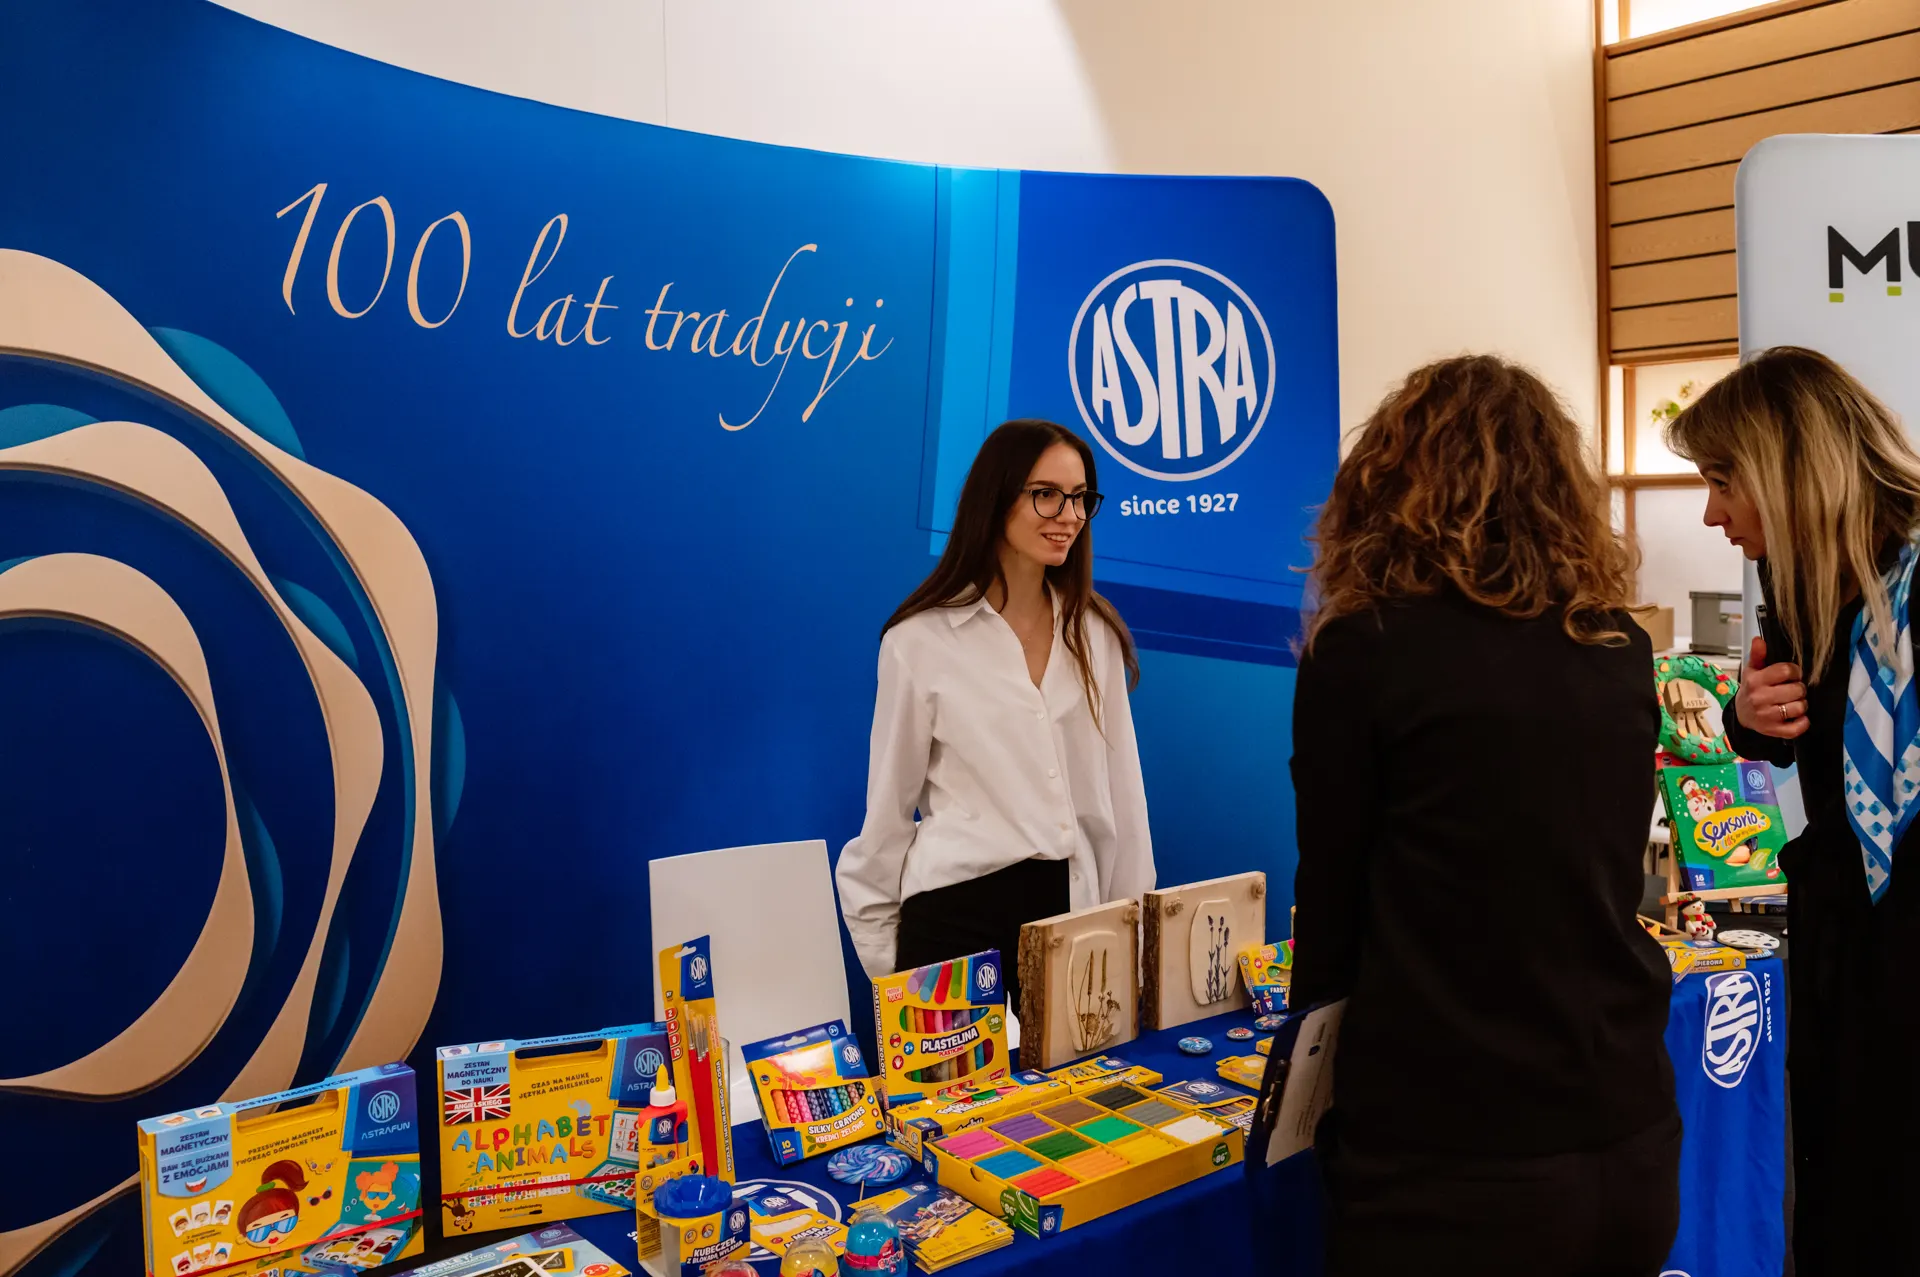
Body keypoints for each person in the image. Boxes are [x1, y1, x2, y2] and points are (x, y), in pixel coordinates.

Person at [1291, 355, 1679, 1276]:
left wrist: (1309, 1096)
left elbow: (1333, 901)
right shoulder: (1616, 642)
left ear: (1389, 484)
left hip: (1451, 1145)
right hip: (1623, 1121)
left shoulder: (1366, 647)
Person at [1667, 345, 1920, 1276]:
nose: (1712, 513)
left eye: (1722, 480)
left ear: (1785, 466)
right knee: (1843, 1196)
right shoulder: (1797, 579)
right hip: (1842, 946)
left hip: (1901, 951)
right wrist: (1746, 718)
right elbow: (1791, 734)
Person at [835, 419, 1152, 1010]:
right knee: (951, 1080)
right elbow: (886, 815)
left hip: (1069, 921)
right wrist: (895, 973)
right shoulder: (919, 640)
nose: (1069, 515)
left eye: (1080, 498)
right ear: (996, 497)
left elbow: (1123, 805)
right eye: (1046, 494)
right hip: (953, 922)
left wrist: (1131, 941)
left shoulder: (1094, 634)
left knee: (1082, 1076)